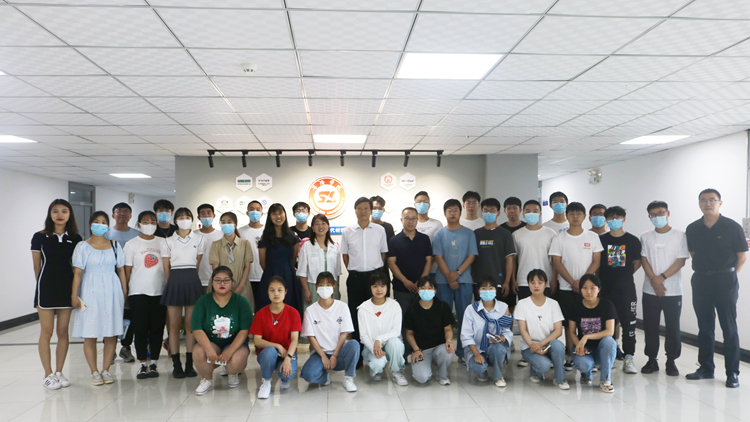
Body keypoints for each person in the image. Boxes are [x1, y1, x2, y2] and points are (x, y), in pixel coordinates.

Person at [685, 188, 747, 388]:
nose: (708, 203)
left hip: (725, 280)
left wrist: (729, 276)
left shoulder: (731, 226)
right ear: (699, 204)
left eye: (712, 200)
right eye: (703, 200)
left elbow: (742, 256)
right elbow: (693, 253)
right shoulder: (693, 228)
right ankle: (706, 368)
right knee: (704, 326)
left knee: (729, 327)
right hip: (701, 280)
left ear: (720, 203)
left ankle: (732, 372)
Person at [70, 211, 126, 386]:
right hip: (90, 290)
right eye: (96, 221)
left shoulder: (115, 245)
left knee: (111, 333)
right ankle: (94, 371)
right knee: (90, 332)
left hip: (112, 290)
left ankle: (106, 369)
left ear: (107, 226)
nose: (100, 225)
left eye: (103, 222)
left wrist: (124, 292)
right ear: (90, 224)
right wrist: (74, 295)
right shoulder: (82, 246)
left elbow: (121, 270)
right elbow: (77, 272)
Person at [32, 199, 82, 390]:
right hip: (46, 289)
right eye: (55, 211)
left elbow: (77, 267)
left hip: (66, 289)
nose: (60, 215)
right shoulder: (39, 237)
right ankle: (47, 374)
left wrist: (75, 292)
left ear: (70, 214)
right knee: (46, 331)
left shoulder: (76, 238)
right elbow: (37, 267)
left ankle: (59, 372)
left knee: (62, 331)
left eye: (64, 211)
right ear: (50, 214)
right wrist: (42, 286)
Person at [549, 201, 603, 371]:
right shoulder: (559, 238)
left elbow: (596, 261)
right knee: (570, 323)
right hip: (567, 288)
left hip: (589, 290)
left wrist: (583, 283)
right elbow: (556, 263)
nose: (575, 216)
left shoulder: (592, 237)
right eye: (571, 213)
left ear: (584, 216)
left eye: (578, 213)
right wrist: (573, 282)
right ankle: (571, 354)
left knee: (589, 322)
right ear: (566, 216)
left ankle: (590, 354)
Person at [640, 200, 688, 376]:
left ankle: (671, 360)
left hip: (673, 290)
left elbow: (681, 261)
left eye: (661, 213)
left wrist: (662, 278)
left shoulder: (680, 235)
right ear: (649, 217)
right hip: (649, 290)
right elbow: (644, 260)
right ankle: (651, 359)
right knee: (650, 326)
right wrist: (655, 281)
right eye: (653, 214)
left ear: (668, 213)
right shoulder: (645, 236)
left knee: (672, 327)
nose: (657, 217)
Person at [191, 266, 253, 395]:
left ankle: (232, 373)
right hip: (212, 342)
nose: (222, 283)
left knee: (236, 360)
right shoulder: (203, 301)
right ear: (212, 282)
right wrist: (208, 348)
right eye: (218, 280)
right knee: (198, 352)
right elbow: (197, 329)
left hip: (234, 343)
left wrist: (230, 350)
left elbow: (244, 330)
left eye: (226, 280)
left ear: (232, 282)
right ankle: (206, 379)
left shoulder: (241, 302)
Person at [124, 211, 168, 380]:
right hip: (137, 292)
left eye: (152, 221)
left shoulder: (163, 242)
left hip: (160, 291)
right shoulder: (131, 244)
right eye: (145, 221)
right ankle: (143, 363)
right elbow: (127, 271)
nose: (149, 224)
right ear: (138, 225)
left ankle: (154, 362)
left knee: (157, 329)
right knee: (140, 329)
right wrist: (125, 294)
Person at [598, 206, 642, 374]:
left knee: (629, 324)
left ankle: (629, 357)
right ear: (606, 220)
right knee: (605, 324)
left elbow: (637, 262)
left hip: (626, 290)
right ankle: (607, 356)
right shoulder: (601, 240)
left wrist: (623, 275)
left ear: (624, 219)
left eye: (618, 217)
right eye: (610, 218)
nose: (614, 220)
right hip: (605, 289)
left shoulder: (632, 240)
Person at [433, 199, 478, 363]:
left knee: (464, 317)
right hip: (442, 282)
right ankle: (442, 352)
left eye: (455, 210)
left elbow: (471, 256)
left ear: (461, 212)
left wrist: (457, 274)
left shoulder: (469, 233)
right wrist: (449, 276)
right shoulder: (439, 234)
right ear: (445, 213)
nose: (452, 213)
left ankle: (462, 352)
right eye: (449, 210)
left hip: (464, 280)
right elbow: (438, 257)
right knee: (442, 317)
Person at [162, 207, 204, 379]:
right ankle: (176, 364)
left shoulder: (199, 239)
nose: (184, 219)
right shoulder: (167, 241)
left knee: (190, 325)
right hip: (174, 280)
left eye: (187, 217)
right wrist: (172, 282)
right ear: (175, 220)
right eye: (180, 217)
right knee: (173, 326)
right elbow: (166, 267)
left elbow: (197, 262)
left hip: (192, 279)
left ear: (192, 220)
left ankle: (189, 364)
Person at [300, 271, 360, 392]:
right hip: (319, 354)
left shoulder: (342, 307)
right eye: (321, 285)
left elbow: (344, 334)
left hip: (339, 353)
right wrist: (323, 356)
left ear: (333, 287)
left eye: (328, 285)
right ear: (317, 288)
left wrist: (335, 355)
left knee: (354, 344)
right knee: (308, 375)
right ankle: (324, 375)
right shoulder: (310, 311)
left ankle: (348, 378)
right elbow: (311, 337)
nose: (324, 288)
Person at [340, 197, 388, 346]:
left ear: (371, 211)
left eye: (366, 208)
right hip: (355, 278)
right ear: (355, 211)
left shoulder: (380, 230)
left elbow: (383, 253)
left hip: (375, 278)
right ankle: (358, 350)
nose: (363, 211)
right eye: (359, 208)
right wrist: (354, 270)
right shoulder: (347, 231)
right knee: (356, 314)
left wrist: (375, 270)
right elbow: (345, 255)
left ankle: (376, 347)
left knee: (376, 313)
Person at [515, 269, 568, 389]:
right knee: (544, 365)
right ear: (528, 284)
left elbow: (558, 331)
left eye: (540, 282)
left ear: (545, 284)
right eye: (532, 282)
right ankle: (535, 371)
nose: (536, 286)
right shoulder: (522, 304)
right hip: (530, 346)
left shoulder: (553, 304)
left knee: (558, 345)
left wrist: (541, 344)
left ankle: (560, 379)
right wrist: (533, 346)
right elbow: (523, 330)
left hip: (549, 344)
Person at [250, 276, 301, 399]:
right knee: (270, 351)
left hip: (287, 352)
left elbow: (295, 339)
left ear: (285, 292)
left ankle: (283, 377)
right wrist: (277, 346)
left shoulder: (293, 312)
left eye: (280, 290)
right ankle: (266, 381)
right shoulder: (261, 314)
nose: (276, 293)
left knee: (287, 375)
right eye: (272, 290)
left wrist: (288, 358)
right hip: (268, 352)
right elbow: (257, 340)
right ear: (267, 292)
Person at [460, 277, 514, 387]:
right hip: (476, 348)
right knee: (479, 368)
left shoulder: (503, 307)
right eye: (483, 288)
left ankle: (498, 375)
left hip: (495, 347)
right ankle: (482, 371)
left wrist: (501, 338)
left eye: (491, 288)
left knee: (498, 349)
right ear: (478, 291)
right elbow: (466, 335)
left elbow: (507, 331)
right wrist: (476, 354)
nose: (487, 291)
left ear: (496, 290)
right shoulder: (471, 309)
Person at [569, 274, 618, 393]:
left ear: (599, 289)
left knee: (609, 341)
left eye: (592, 288)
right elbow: (572, 332)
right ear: (580, 290)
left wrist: (587, 336)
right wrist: (579, 345)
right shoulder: (575, 306)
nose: (589, 291)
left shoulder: (607, 305)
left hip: (602, 349)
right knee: (584, 365)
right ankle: (586, 374)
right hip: (584, 348)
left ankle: (605, 380)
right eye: (585, 288)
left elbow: (610, 331)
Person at [104, 202, 139, 364]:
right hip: (109, 279)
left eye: (126, 212)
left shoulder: (137, 235)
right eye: (119, 211)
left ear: (130, 216)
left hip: (132, 278)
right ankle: (109, 349)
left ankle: (126, 347)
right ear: (113, 215)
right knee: (109, 314)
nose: (122, 214)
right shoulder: (106, 234)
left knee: (128, 314)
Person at [404, 276, 455, 385]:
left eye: (429, 288)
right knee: (422, 378)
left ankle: (442, 375)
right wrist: (416, 350)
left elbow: (448, 329)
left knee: (447, 351)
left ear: (435, 291)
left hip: (439, 348)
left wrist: (449, 341)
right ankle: (425, 367)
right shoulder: (412, 309)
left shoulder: (442, 307)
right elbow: (409, 333)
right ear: (418, 291)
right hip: (421, 349)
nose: (426, 291)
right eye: (423, 288)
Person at [358, 273, 408, 385]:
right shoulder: (363, 308)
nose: (379, 289)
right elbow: (363, 335)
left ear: (387, 287)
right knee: (377, 365)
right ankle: (377, 370)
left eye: (382, 286)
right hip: (372, 346)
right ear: (370, 287)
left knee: (395, 343)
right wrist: (374, 349)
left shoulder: (394, 305)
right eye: (375, 286)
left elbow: (396, 330)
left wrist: (379, 339)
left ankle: (397, 371)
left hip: (390, 343)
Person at [257, 203, 302, 318]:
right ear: (269, 217)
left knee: (289, 303)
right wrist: (272, 270)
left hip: (289, 275)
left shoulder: (293, 236)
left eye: (280, 213)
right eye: (274, 214)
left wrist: (287, 269)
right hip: (270, 275)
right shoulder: (265, 237)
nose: (278, 216)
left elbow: (293, 258)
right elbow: (262, 262)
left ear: (285, 214)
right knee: (269, 305)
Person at [473, 197, 516, 309]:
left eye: (492, 210)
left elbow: (509, 259)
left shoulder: (505, 234)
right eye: (485, 210)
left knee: (499, 312)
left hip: (498, 282)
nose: (488, 213)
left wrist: (507, 281)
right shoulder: (476, 234)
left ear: (498, 213)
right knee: (481, 312)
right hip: (478, 282)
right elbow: (471, 258)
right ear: (481, 212)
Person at [388, 207, 433, 312]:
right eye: (407, 218)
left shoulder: (424, 239)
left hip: (421, 288)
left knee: (421, 317)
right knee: (402, 317)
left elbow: (429, 260)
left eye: (413, 218)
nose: (410, 221)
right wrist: (405, 281)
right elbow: (391, 263)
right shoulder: (394, 240)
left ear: (417, 220)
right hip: (401, 288)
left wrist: (421, 281)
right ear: (401, 220)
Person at [513, 200, 557, 301]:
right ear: (523, 214)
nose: (531, 214)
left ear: (540, 214)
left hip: (545, 281)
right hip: (523, 281)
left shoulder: (550, 233)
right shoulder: (516, 234)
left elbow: (555, 260)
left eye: (535, 211)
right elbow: (514, 260)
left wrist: (554, 279)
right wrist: (513, 280)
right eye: (528, 211)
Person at [297, 214, 342, 312]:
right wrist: (306, 290)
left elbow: (337, 272)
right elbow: (302, 272)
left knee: (332, 313)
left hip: (331, 286)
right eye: (317, 224)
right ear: (313, 227)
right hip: (313, 287)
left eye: (323, 223)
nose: (320, 226)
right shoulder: (307, 246)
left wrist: (337, 288)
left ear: (328, 226)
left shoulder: (334, 247)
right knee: (313, 314)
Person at [209, 212, 253, 298]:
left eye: (229, 222)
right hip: (221, 285)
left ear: (235, 224)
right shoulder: (215, 245)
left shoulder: (245, 244)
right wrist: (224, 285)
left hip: (242, 285)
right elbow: (215, 268)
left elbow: (247, 267)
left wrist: (240, 286)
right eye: (223, 222)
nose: (226, 224)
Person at [238, 200, 265, 308]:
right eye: (252, 209)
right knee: (248, 309)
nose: (255, 212)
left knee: (262, 309)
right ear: (247, 213)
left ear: (262, 213)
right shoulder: (240, 231)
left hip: (264, 276)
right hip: (246, 278)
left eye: (258, 209)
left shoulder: (267, 231)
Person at [194, 204, 224, 294]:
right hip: (197, 279)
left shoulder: (221, 234)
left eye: (208, 213)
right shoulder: (193, 235)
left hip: (217, 279)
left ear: (214, 215)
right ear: (198, 217)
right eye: (203, 213)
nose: (206, 215)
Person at [414, 191, 443, 276]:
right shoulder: (410, 224)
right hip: (414, 268)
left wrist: (428, 264)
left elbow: (439, 248)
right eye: (419, 202)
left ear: (429, 205)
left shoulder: (437, 224)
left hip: (433, 269)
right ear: (414, 204)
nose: (422, 204)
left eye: (425, 202)